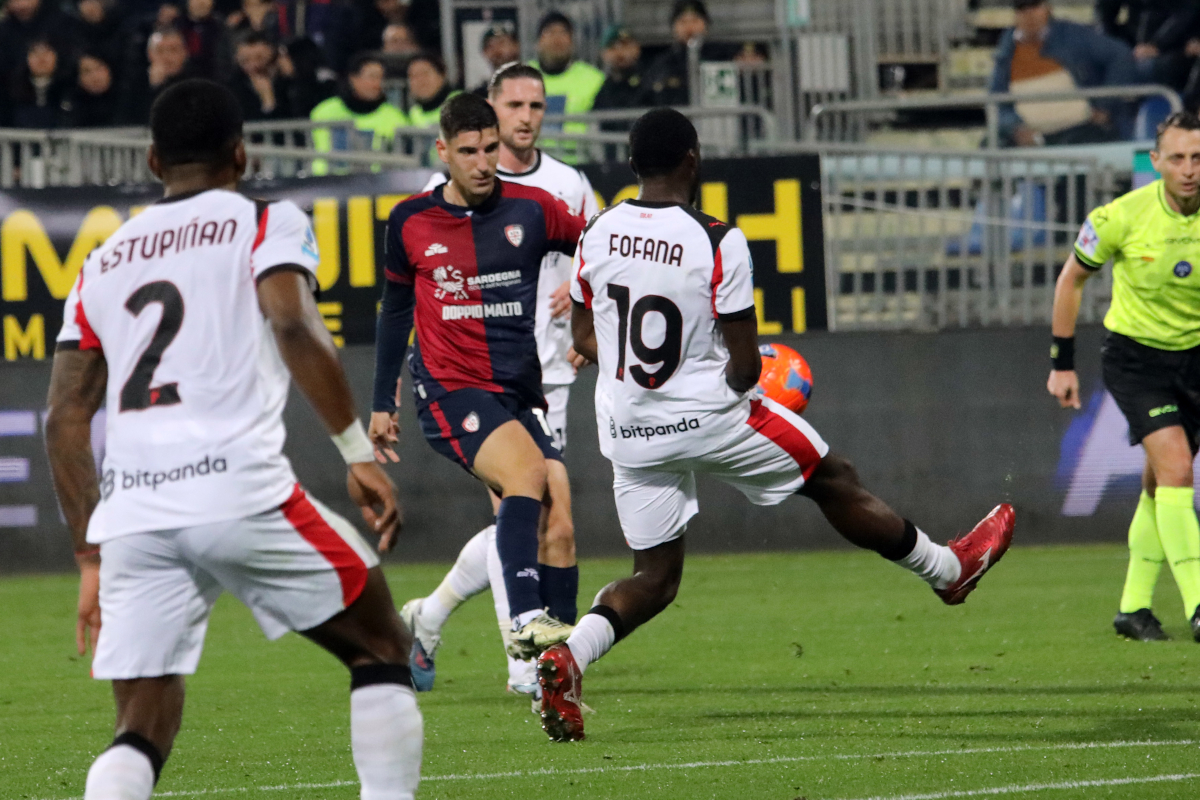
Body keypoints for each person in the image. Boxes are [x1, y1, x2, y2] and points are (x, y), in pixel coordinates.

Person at [536, 108, 1016, 742]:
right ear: (693, 159)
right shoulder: (717, 239)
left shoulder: (595, 233)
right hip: (709, 415)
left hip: (626, 427)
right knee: (832, 477)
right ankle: (949, 571)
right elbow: (742, 364)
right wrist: (739, 388)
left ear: (631, 165)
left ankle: (568, 656)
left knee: (654, 577)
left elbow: (582, 338)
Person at [45, 78, 422, 800]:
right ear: (241, 156)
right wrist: (356, 453)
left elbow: (65, 415)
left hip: (133, 517)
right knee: (380, 643)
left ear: (154, 161)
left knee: (140, 724)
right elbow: (290, 322)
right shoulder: (263, 221)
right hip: (236, 491)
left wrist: (90, 551)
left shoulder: (102, 261)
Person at [392, 62, 600, 697]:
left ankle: (432, 615)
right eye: (514, 104)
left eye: (536, 105)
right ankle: (526, 664)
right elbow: (414, 289)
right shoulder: (446, 189)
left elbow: (604, 245)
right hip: (472, 378)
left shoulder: (567, 185)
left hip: (547, 375)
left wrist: (579, 283)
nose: (526, 116)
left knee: (551, 519)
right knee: (523, 499)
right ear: (490, 108)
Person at [1048, 111, 1200, 642]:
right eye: (1177, 158)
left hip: (1196, 360)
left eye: (1198, 158)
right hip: (1137, 360)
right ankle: (1199, 602)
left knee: (1160, 483)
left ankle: (1133, 609)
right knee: (1178, 468)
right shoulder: (1120, 217)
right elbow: (1071, 281)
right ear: (1155, 162)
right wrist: (1061, 363)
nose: (1188, 169)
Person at [989, 0, 1138, 147]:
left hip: (1080, 129)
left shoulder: (1072, 35)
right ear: (1015, 14)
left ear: (1047, 8)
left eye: (1034, 6)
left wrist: (1104, 105)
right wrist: (1016, 128)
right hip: (1030, 139)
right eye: (1022, 8)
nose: (1030, 14)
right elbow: (997, 99)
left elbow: (1120, 54)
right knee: (990, 148)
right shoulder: (1007, 51)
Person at [309, 51, 407, 175]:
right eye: (372, 77)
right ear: (353, 79)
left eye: (381, 78)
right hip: (326, 184)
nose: (377, 83)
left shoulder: (395, 116)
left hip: (378, 187)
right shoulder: (323, 112)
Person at [530, 10, 604, 162]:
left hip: (582, 163)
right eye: (549, 32)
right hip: (532, 163)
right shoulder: (522, 76)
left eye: (563, 32)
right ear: (537, 42)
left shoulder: (594, 79)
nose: (557, 39)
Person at [117, 26, 197, 125]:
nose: (167, 57)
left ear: (185, 53)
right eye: (160, 51)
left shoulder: (197, 82)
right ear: (150, 54)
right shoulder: (135, 82)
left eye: (173, 50)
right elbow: (129, 121)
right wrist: (154, 88)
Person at [7, 38, 73, 129]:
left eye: (47, 52)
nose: (41, 58)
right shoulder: (13, 91)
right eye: (35, 53)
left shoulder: (69, 89)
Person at [228, 31, 293, 120]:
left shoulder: (289, 85)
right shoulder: (233, 89)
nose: (254, 65)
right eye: (245, 60)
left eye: (259, 58)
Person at [593, 25, 648, 118]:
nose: (620, 53)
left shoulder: (650, 79)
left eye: (625, 45)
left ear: (637, 48)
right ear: (604, 53)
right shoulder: (600, 85)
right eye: (613, 47)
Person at [177, 0, 232, 81]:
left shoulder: (222, 27)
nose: (201, 2)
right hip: (182, 79)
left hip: (215, 79)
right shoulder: (176, 26)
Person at [405, 52, 458, 128]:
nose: (420, 81)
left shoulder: (460, 104)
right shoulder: (413, 113)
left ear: (442, 76)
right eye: (414, 76)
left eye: (425, 73)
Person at [68, 51, 121, 127]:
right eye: (86, 71)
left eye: (99, 68)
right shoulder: (69, 108)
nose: (95, 76)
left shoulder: (130, 101)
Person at [472, 21, 520, 97]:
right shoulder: (480, 95)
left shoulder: (532, 85)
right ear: (485, 53)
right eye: (491, 46)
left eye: (502, 43)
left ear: (515, 47)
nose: (497, 50)